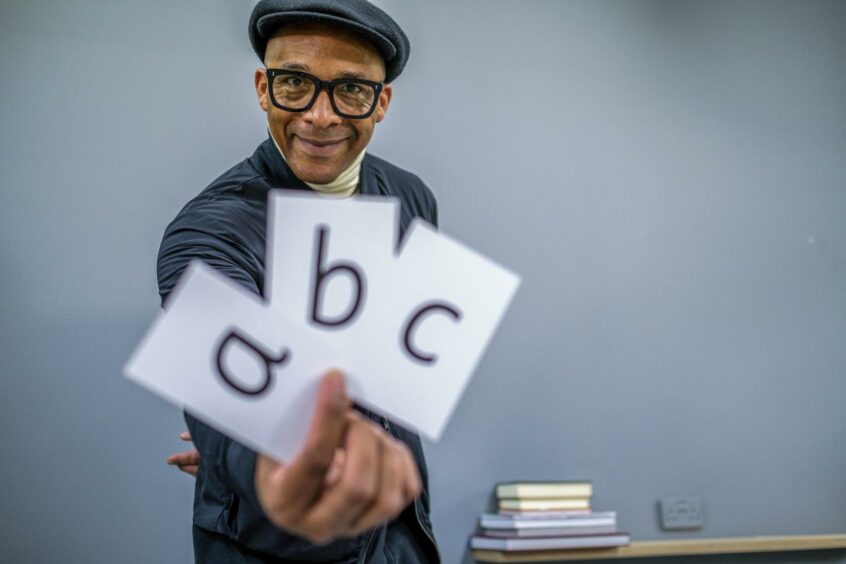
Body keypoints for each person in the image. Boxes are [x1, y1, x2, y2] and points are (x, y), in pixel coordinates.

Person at [157, 1, 441, 562]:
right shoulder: (207, 231)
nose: (319, 115)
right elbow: (226, 407)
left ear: (380, 102)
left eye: (351, 90)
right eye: (295, 84)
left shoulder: (411, 198)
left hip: (402, 535)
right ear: (264, 88)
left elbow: (397, 363)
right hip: (271, 547)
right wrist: (264, 461)